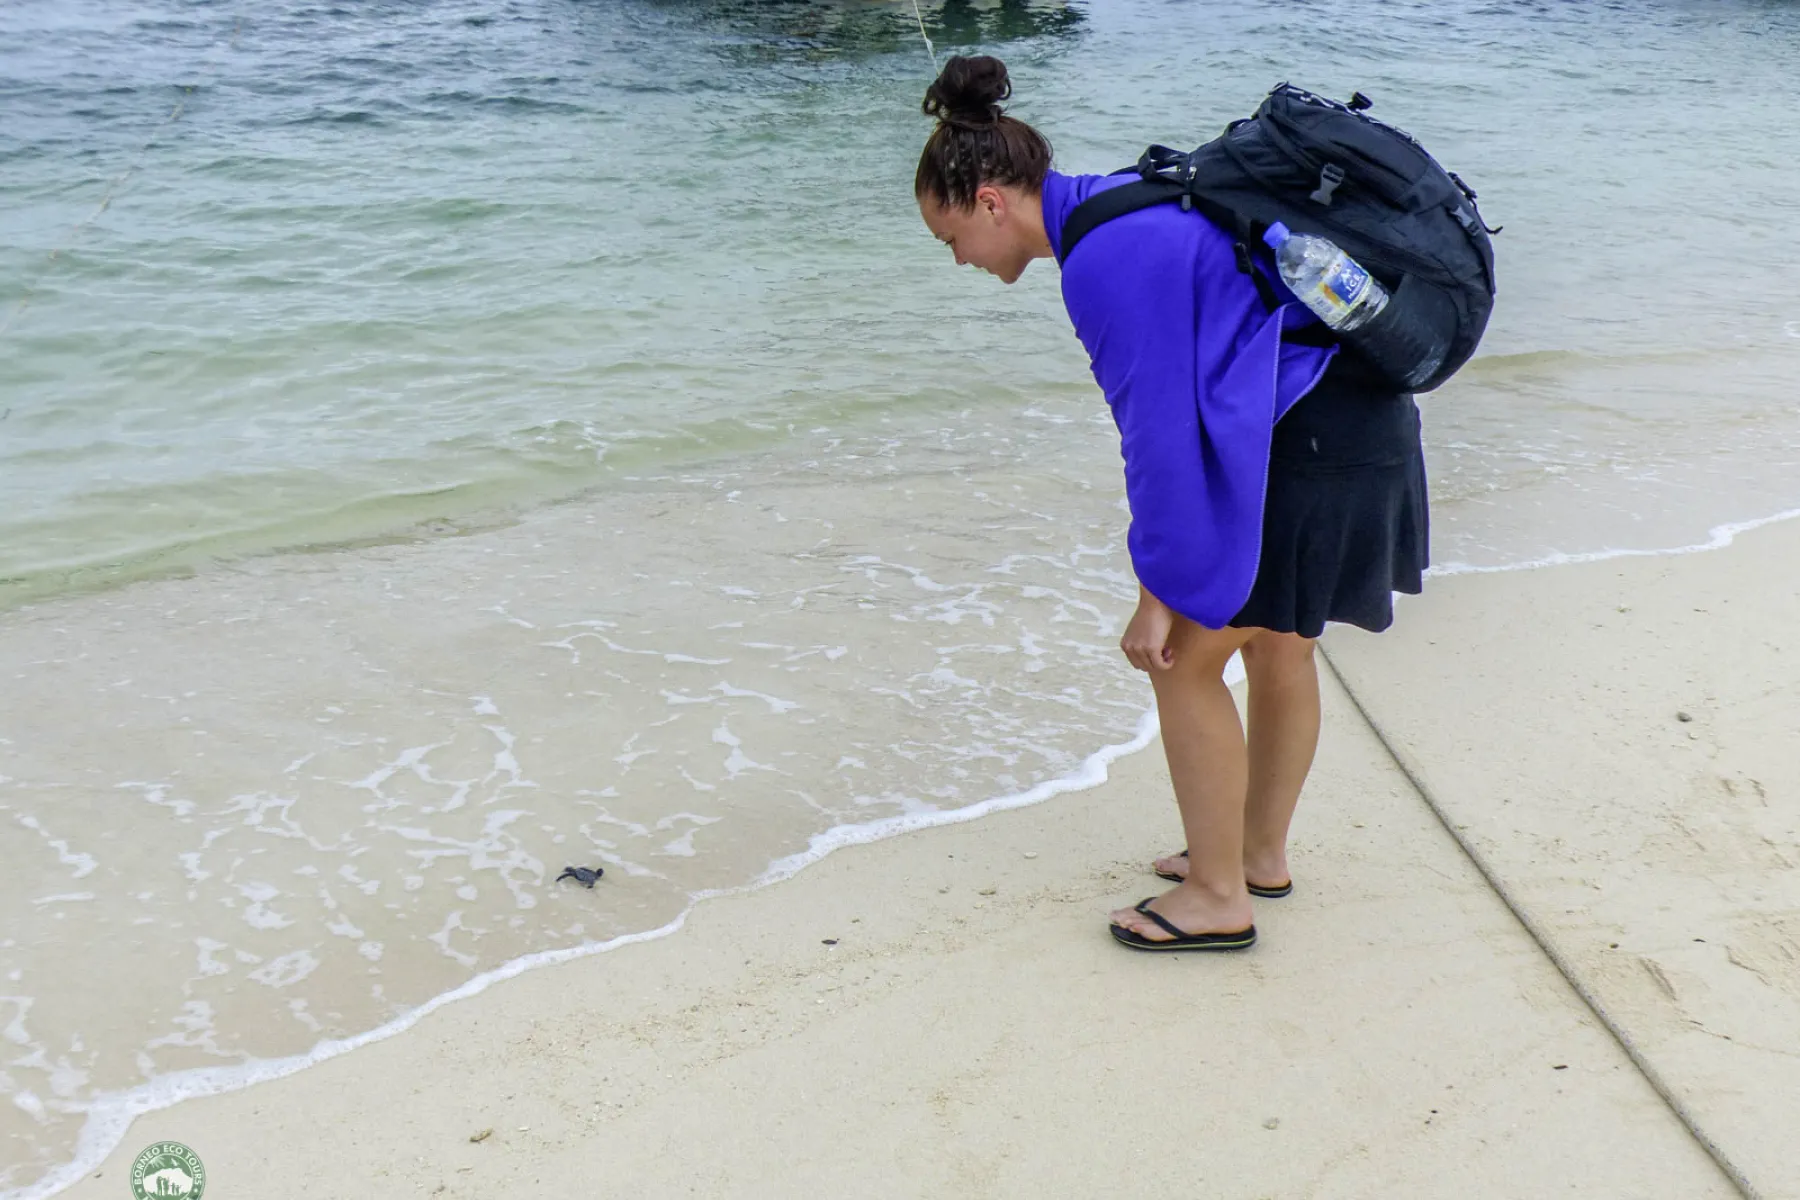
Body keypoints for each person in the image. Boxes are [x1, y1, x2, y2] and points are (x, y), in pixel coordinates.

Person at [914, 55, 1427, 952]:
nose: (958, 259)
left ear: (990, 200)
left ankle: (1217, 896)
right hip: (1363, 423)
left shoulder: (1102, 258)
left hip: (1308, 447)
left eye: (950, 238)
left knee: (1182, 662)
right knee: (1277, 645)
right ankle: (1255, 857)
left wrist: (1160, 587)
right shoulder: (1129, 199)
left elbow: (1157, 440)